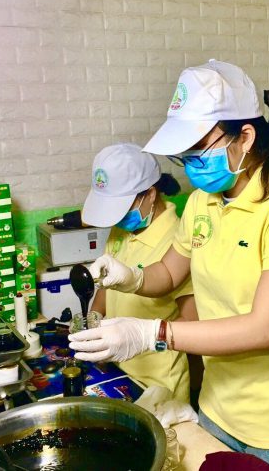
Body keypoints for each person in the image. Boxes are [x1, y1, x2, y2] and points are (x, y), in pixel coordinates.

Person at [69, 60, 269, 470]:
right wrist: (130, 278)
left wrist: (153, 334)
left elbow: (264, 329)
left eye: (200, 148)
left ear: (245, 137)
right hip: (218, 410)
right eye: (186, 154)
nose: (192, 162)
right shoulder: (201, 203)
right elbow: (169, 274)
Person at [81, 142, 197, 403]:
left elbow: (192, 323)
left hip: (157, 382)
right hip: (116, 370)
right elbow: (106, 292)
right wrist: (93, 325)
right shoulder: (121, 231)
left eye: (121, 209)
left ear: (150, 194)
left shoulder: (178, 241)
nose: (116, 219)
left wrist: (143, 337)